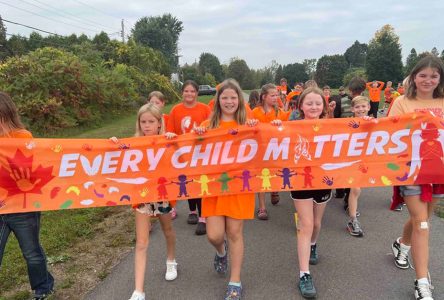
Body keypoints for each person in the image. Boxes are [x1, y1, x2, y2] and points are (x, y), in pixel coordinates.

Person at [194, 78, 257, 300]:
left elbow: (272, 142)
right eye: (224, 97)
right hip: (213, 188)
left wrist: (264, 128)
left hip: (239, 187)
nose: (229, 101)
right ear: (217, 100)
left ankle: (235, 280)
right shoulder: (207, 126)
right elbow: (185, 150)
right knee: (214, 235)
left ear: (239, 100)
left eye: (233, 97)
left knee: (234, 233)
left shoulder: (249, 124)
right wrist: (192, 136)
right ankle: (221, 252)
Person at [388, 55, 444, 300]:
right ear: (413, 77)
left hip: (439, 171)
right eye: (423, 75)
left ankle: (402, 243)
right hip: (411, 169)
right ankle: (422, 282)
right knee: (422, 223)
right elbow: (386, 132)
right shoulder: (402, 102)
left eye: (433, 76)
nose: (428, 80)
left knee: (423, 218)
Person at [110, 103, 178, 300]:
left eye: (151, 121)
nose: (147, 125)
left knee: (167, 230)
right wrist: (112, 144)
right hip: (142, 197)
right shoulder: (132, 143)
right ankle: (138, 290)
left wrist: (174, 142)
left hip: (162, 193)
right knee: (141, 242)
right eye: (143, 121)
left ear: (159, 123)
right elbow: (115, 155)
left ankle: (171, 259)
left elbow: (180, 159)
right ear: (138, 123)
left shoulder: (166, 141)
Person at [0, 91, 55, 300]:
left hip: (22, 208)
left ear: (6, 115)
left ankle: (43, 287)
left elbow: (33, 169)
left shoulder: (22, 137)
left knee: (31, 253)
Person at [290, 87, 331, 299]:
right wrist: (278, 126)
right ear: (301, 106)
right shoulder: (292, 126)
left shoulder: (333, 127)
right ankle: (304, 274)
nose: (313, 107)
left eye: (318, 103)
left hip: (323, 180)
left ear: (324, 106)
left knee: (315, 224)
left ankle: (313, 244)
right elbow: (271, 137)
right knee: (305, 225)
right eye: (309, 103)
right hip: (300, 180)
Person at [166, 80, 211, 235]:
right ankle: (192, 211)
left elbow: (212, 128)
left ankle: (203, 217)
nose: (189, 94)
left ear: (197, 93)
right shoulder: (175, 110)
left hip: (201, 153)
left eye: (192, 91)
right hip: (183, 153)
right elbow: (171, 131)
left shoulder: (205, 109)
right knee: (188, 181)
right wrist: (171, 135)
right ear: (182, 93)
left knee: (201, 183)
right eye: (186, 91)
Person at [252, 83, 289, 220]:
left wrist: (282, 125)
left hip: (276, 150)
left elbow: (289, 126)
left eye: (277, 95)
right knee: (261, 177)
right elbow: (248, 128)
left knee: (276, 173)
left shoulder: (279, 112)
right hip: (260, 150)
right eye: (272, 95)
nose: (276, 97)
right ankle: (262, 207)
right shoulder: (255, 112)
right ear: (264, 96)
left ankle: (275, 190)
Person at [333, 77, 366, 208]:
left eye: (358, 91)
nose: (356, 95)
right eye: (354, 92)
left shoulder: (361, 102)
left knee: (349, 169)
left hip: (353, 141)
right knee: (347, 168)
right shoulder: (345, 101)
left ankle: (346, 194)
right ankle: (343, 191)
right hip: (347, 140)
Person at [147, 91, 178, 220]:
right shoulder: (145, 119)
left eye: (157, 102)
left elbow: (171, 134)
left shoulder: (166, 118)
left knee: (166, 183)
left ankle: (171, 206)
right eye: (151, 102)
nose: (154, 104)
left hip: (164, 157)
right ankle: (148, 214)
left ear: (163, 104)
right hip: (150, 158)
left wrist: (170, 136)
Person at [346, 96, 371, 237]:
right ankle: (352, 218)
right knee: (354, 189)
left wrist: (370, 123)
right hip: (348, 160)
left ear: (368, 107)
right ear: (352, 109)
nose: (361, 109)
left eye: (363, 106)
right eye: (357, 107)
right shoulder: (347, 123)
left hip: (363, 161)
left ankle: (352, 216)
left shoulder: (373, 121)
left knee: (356, 189)